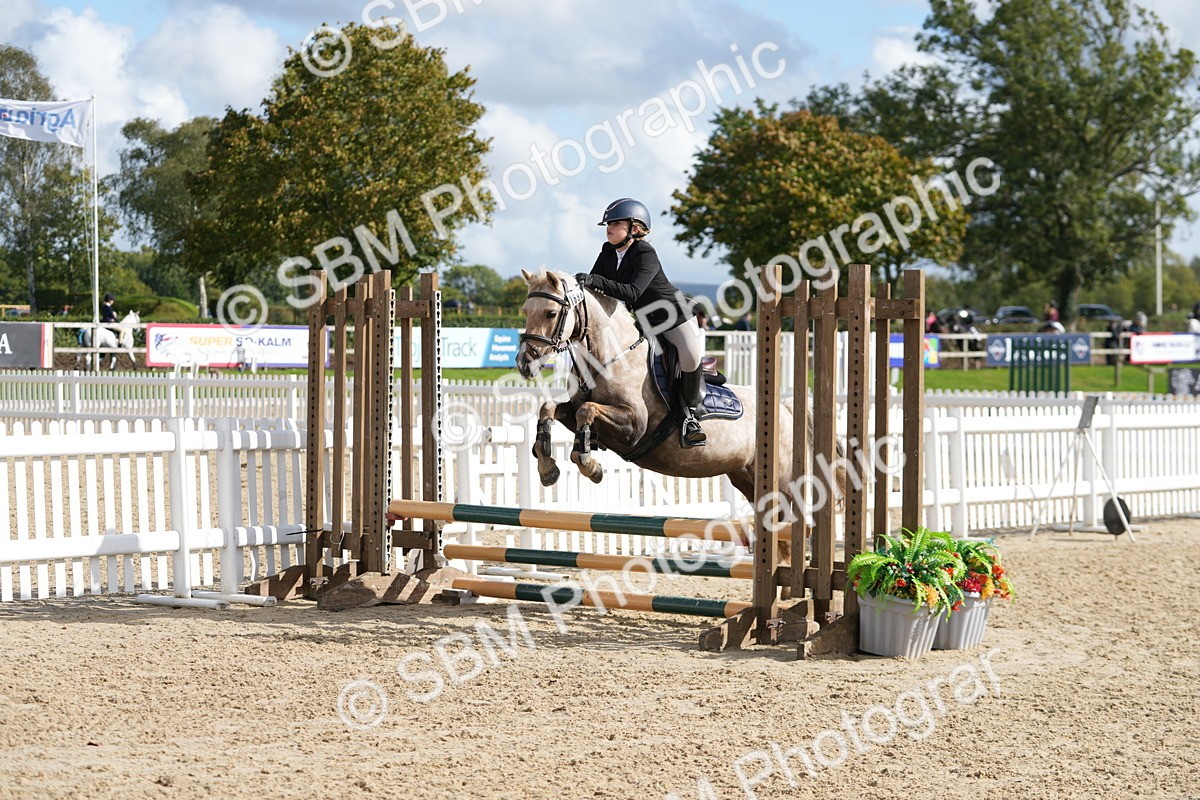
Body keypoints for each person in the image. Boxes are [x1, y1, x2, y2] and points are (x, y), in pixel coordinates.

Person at [576, 197, 708, 448]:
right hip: (644, 321)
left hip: (674, 316)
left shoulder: (645, 252)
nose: (609, 228)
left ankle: (691, 416)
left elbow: (632, 292)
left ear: (634, 228)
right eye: (607, 224)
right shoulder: (607, 252)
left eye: (615, 223)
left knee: (690, 356)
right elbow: (595, 288)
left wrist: (594, 280)